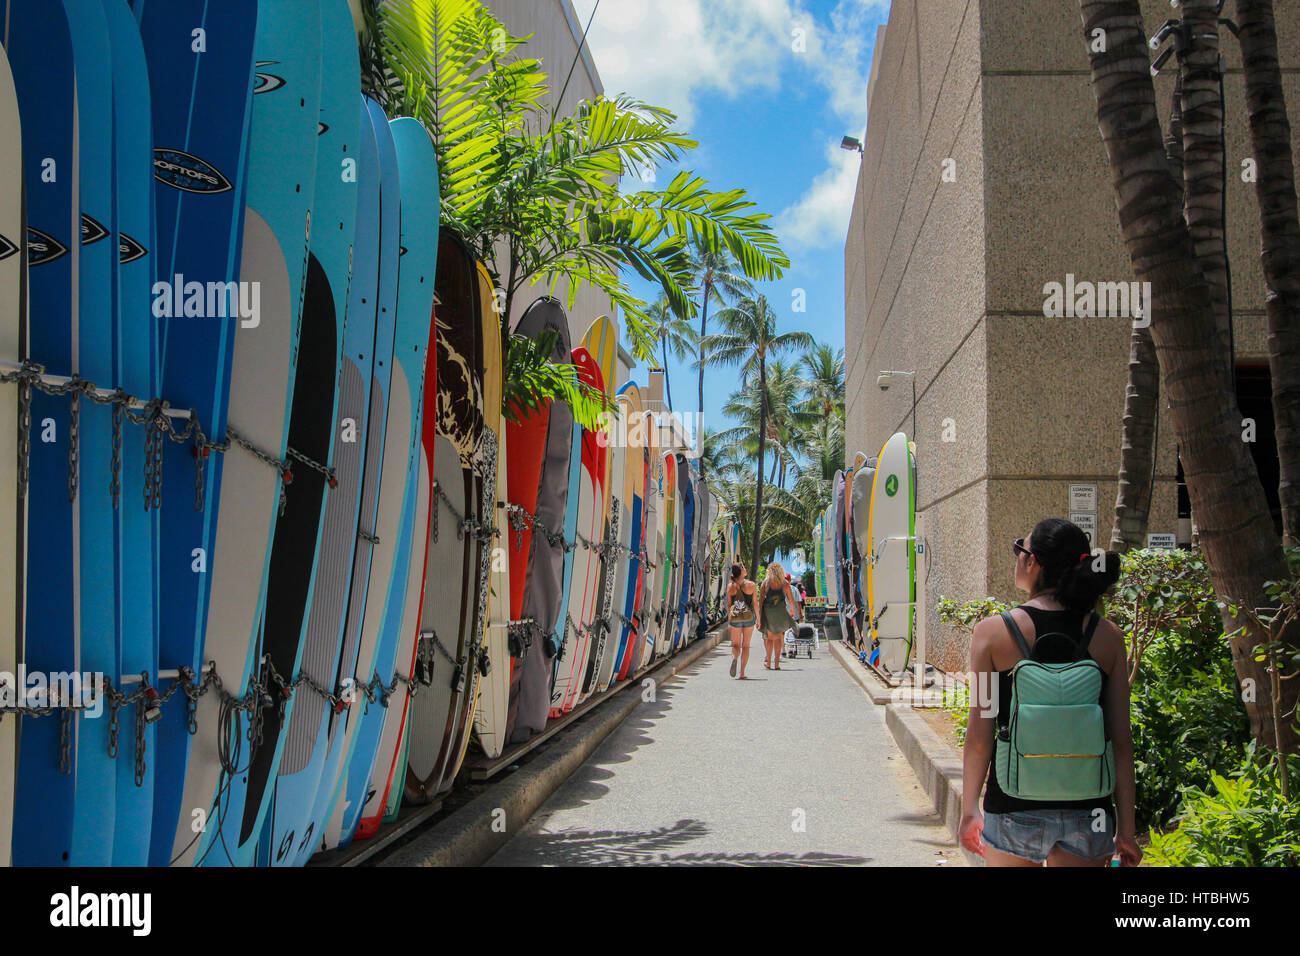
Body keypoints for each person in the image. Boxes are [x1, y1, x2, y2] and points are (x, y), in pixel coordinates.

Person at [959, 518, 1141, 867]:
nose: (1017, 557)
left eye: (1019, 549)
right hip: (1090, 811)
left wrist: (970, 810)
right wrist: (1127, 830)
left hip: (1012, 806)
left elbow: (979, 735)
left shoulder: (992, 634)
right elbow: (1121, 740)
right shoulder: (1108, 637)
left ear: (1033, 562)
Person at [758, 562, 800, 670]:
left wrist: (759, 617)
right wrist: (792, 612)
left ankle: (768, 662)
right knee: (778, 638)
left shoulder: (766, 583)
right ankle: (776, 664)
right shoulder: (785, 583)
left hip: (768, 613)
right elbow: (790, 599)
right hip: (781, 612)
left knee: (769, 639)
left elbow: (761, 601)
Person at [726, 563, 759, 679]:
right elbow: (755, 603)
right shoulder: (751, 585)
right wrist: (759, 619)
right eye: (744, 567)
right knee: (746, 645)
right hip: (749, 618)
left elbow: (729, 605)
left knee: (735, 645)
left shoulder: (730, 587)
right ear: (741, 571)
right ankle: (742, 672)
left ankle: (735, 658)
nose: (745, 569)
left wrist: (729, 620)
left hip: (735, 618)